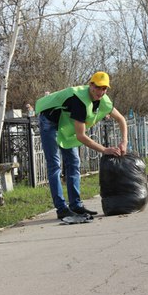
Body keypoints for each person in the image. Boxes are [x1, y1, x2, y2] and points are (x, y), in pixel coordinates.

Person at [35, 71, 128, 220]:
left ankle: (76, 205)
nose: (101, 92)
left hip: (65, 124)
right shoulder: (79, 101)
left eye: (104, 88)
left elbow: (121, 119)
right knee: (55, 165)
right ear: (91, 85)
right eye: (98, 87)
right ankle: (61, 208)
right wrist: (105, 150)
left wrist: (124, 141)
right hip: (49, 121)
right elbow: (81, 136)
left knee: (74, 161)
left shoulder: (103, 99)